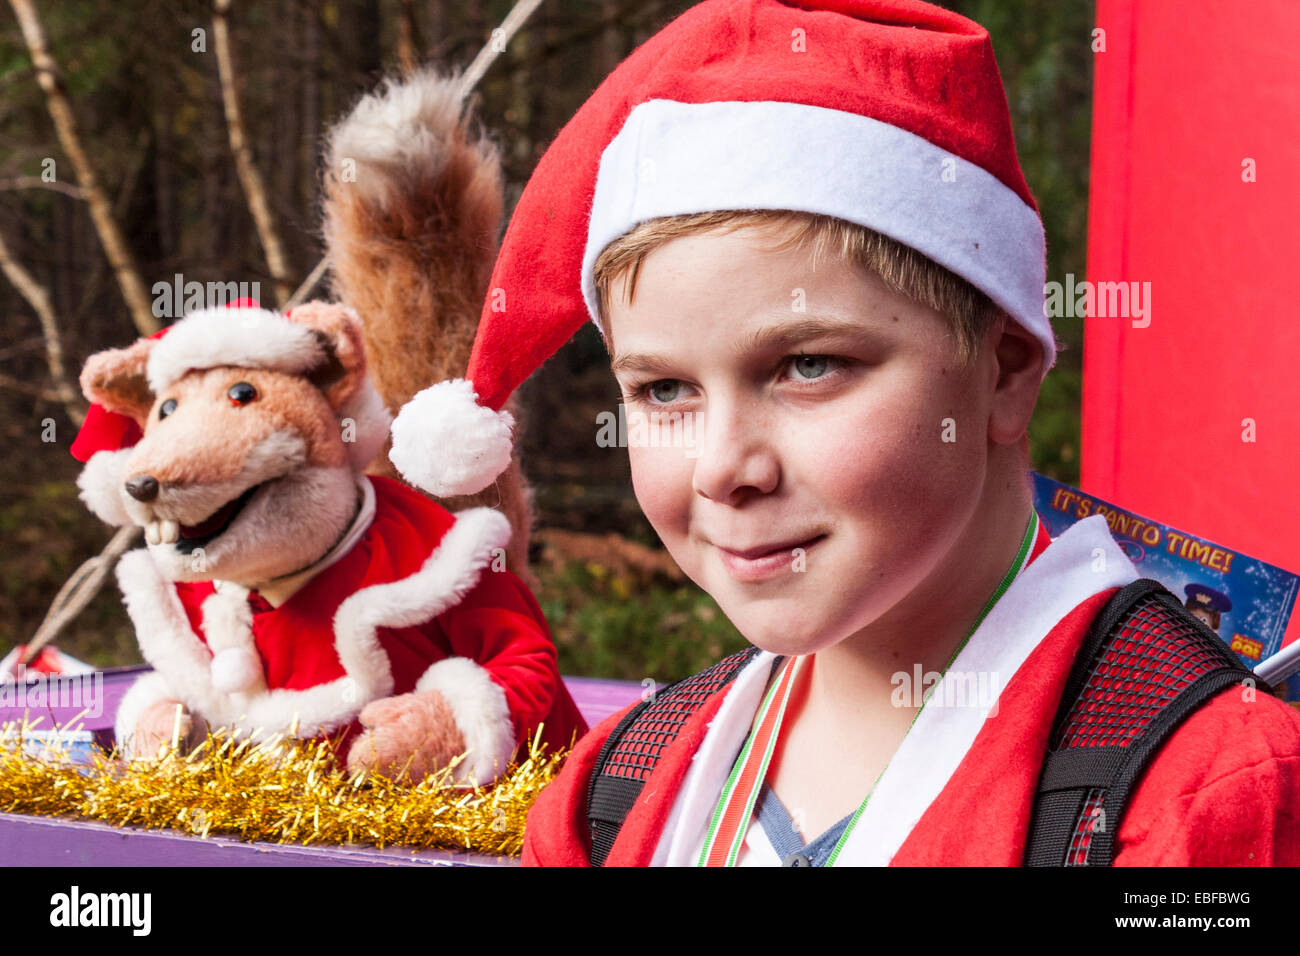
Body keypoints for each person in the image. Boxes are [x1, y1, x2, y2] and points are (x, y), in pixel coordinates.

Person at [391, 0, 1300, 865]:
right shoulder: (613, 794)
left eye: (808, 366)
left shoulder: (1208, 798)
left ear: (1006, 372)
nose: (722, 468)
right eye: (664, 388)